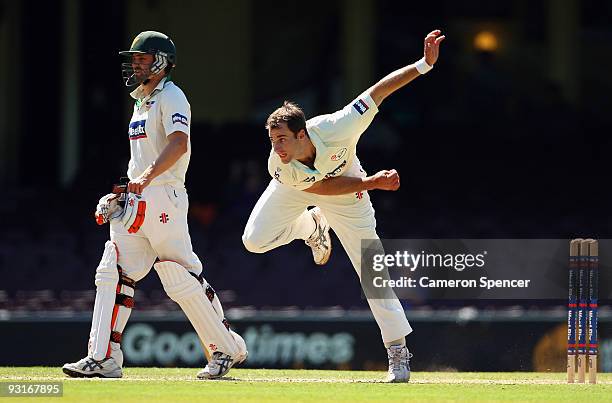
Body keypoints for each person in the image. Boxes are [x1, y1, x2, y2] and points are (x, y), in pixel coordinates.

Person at [242, 30, 445, 383]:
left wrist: (424, 65)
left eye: (282, 139)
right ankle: (312, 228)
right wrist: (371, 183)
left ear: (302, 133)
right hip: (313, 187)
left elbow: (379, 91)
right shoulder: (279, 165)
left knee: (372, 264)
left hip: (347, 191)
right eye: (272, 141)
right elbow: (322, 186)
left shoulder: (338, 126)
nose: (277, 147)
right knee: (254, 240)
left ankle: (397, 351)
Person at [62, 31, 247, 379]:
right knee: (113, 271)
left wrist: (145, 179)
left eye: (142, 58)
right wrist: (124, 193)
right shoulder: (140, 102)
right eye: (134, 59)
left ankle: (224, 349)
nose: (134, 64)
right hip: (139, 198)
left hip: (164, 195)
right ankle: (103, 358)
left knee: (180, 275)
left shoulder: (173, 96)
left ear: (161, 62)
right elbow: (141, 160)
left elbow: (179, 143)